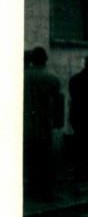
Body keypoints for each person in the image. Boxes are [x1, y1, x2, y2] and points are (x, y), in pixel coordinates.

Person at [24, 47, 64, 201]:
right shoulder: (51, 77)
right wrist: (57, 123)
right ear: (45, 59)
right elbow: (58, 101)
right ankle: (45, 192)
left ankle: (31, 190)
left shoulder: (23, 76)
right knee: (44, 160)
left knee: (30, 160)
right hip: (43, 125)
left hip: (26, 126)